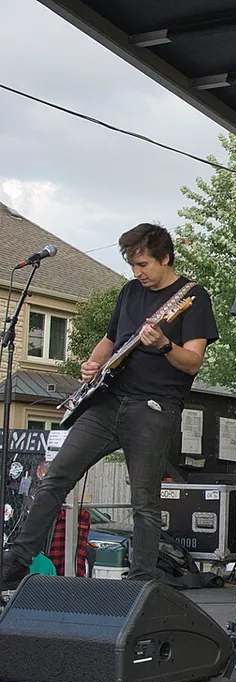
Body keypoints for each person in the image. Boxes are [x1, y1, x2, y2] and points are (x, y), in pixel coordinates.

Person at [1, 223, 218, 587]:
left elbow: (193, 361)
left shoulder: (192, 296)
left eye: (144, 265)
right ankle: (17, 561)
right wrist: (91, 364)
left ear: (165, 258)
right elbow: (109, 340)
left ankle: (139, 584)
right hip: (108, 400)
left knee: (143, 501)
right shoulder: (130, 292)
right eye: (133, 265)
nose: (138, 273)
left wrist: (163, 343)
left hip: (154, 405)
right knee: (55, 478)